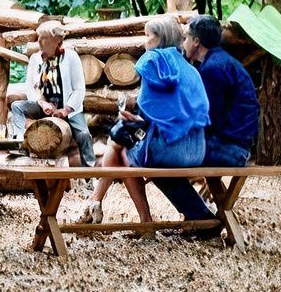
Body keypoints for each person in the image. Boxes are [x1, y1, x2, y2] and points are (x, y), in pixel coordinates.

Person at [76, 15, 209, 226]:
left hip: (168, 150)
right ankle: (96, 203)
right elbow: (177, 113)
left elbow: (148, 108)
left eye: (147, 36)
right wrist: (141, 119)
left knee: (121, 152)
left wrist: (134, 118)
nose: (143, 41)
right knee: (120, 141)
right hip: (197, 150)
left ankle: (134, 218)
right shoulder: (191, 69)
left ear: (160, 39)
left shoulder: (152, 61)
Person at [152, 15, 260, 224]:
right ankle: (202, 217)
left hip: (228, 150)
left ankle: (199, 218)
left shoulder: (213, 69)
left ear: (196, 42)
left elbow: (205, 119)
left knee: (158, 163)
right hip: (232, 145)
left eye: (185, 38)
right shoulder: (220, 62)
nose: (182, 43)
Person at [7, 20, 95, 165]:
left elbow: (79, 89)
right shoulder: (35, 59)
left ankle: (89, 174)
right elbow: (31, 87)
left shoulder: (71, 57)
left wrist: (65, 110)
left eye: (44, 38)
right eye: (40, 38)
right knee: (17, 106)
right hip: (44, 107)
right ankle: (19, 144)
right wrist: (42, 103)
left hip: (68, 109)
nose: (40, 42)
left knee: (84, 135)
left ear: (57, 42)